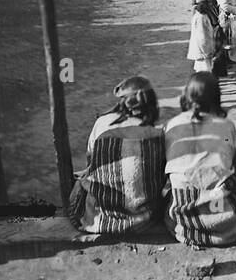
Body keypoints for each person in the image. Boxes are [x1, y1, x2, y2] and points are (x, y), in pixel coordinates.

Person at [68, 76, 166, 238]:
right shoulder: (156, 133)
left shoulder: (102, 123)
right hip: (143, 221)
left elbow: (91, 161)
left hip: (97, 220)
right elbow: (159, 174)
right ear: (150, 100)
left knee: (81, 179)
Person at [164, 73, 236, 248]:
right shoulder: (227, 126)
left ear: (187, 95)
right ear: (216, 97)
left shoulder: (172, 125)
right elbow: (231, 161)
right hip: (225, 221)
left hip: (183, 219)